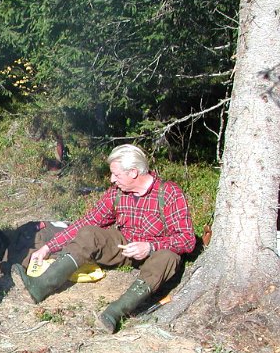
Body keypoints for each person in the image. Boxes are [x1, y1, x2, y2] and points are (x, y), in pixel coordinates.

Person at [16, 143, 195, 333]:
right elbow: (86, 222)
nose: (112, 180)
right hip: (123, 246)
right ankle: (40, 286)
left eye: (116, 175)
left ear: (133, 172)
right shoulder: (116, 193)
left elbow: (186, 239)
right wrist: (48, 247)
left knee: (168, 257)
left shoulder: (169, 193)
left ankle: (115, 313)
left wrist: (150, 247)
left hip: (156, 252)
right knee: (89, 233)